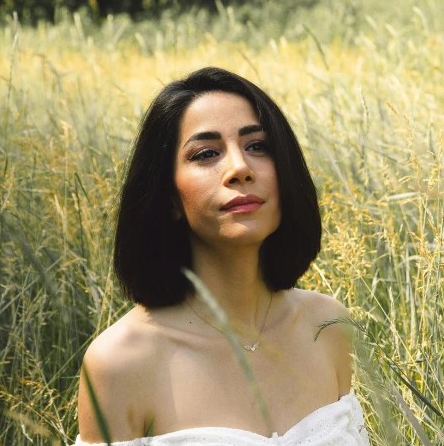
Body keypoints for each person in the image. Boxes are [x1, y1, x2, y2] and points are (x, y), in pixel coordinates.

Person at [75, 67, 369, 445]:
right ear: (168, 198)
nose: (240, 168)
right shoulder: (120, 363)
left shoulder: (328, 326)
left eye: (258, 146)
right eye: (206, 153)